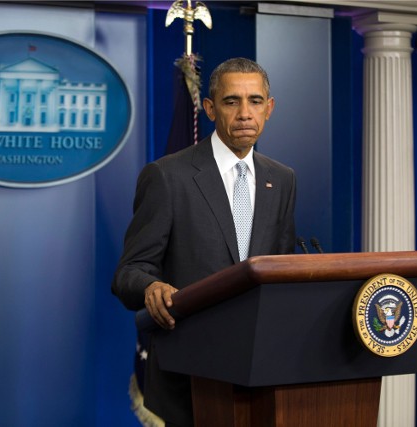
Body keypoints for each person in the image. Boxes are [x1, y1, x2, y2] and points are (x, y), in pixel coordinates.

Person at [112, 57, 296, 427]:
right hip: (189, 372)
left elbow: (281, 268)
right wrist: (151, 286)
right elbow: (129, 272)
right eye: (232, 101)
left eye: (255, 101)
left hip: (258, 372)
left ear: (270, 108)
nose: (245, 113)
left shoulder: (283, 178)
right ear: (210, 108)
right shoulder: (167, 176)